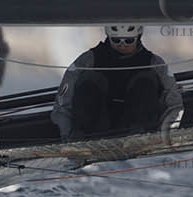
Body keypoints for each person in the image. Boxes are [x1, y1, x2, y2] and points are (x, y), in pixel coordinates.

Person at [52, 25, 184, 141]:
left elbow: (174, 102)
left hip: (138, 128)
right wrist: (67, 134)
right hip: (95, 128)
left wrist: (166, 132)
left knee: (145, 80)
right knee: (90, 80)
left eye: (128, 40)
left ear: (138, 38)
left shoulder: (155, 63)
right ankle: (81, 137)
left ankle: (139, 138)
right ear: (108, 37)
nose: (122, 45)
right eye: (116, 40)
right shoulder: (87, 60)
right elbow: (63, 100)